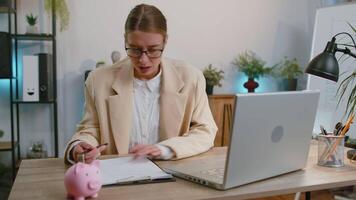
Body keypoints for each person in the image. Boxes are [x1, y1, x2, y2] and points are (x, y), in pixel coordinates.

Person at [64, 4, 217, 164]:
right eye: (135, 50)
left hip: (174, 177)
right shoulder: (98, 81)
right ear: (125, 40)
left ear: (165, 42)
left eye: (153, 50)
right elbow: (91, 129)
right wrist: (80, 145)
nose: (143, 60)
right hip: (119, 177)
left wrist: (165, 149)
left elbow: (204, 132)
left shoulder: (191, 78)